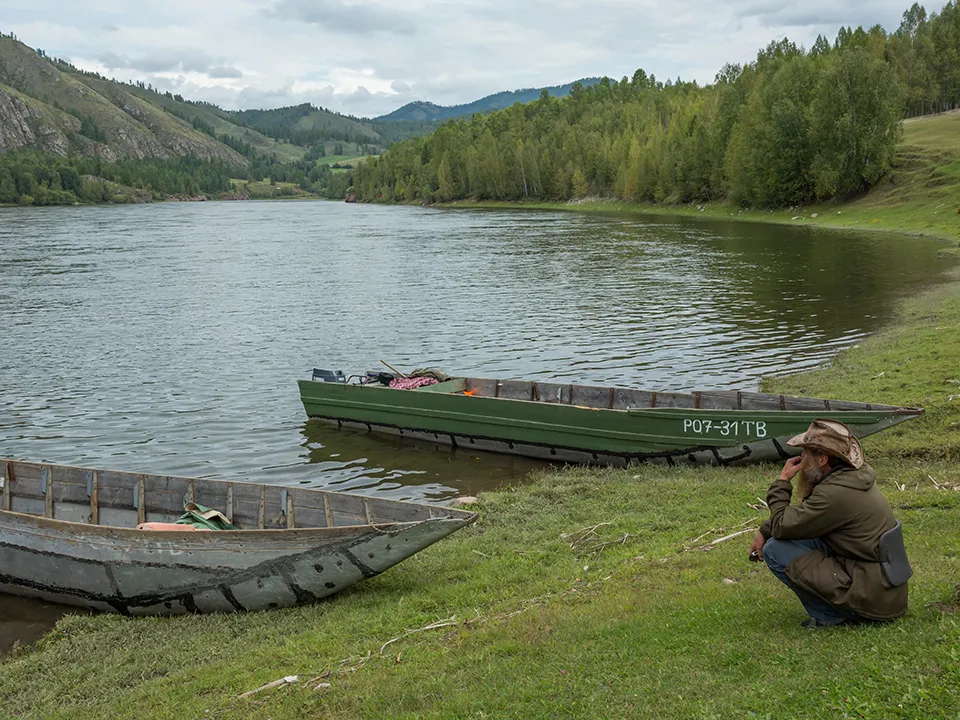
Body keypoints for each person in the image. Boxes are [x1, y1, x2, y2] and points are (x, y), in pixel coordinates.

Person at [748, 419, 911, 628]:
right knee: (796, 536)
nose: (801, 458)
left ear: (823, 459)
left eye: (806, 453)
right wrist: (764, 530)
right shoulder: (852, 478)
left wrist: (782, 481)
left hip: (875, 599)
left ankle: (830, 616)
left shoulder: (833, 494)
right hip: (884, 591)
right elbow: (802, 519)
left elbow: (781, 526)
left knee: (775, 549)